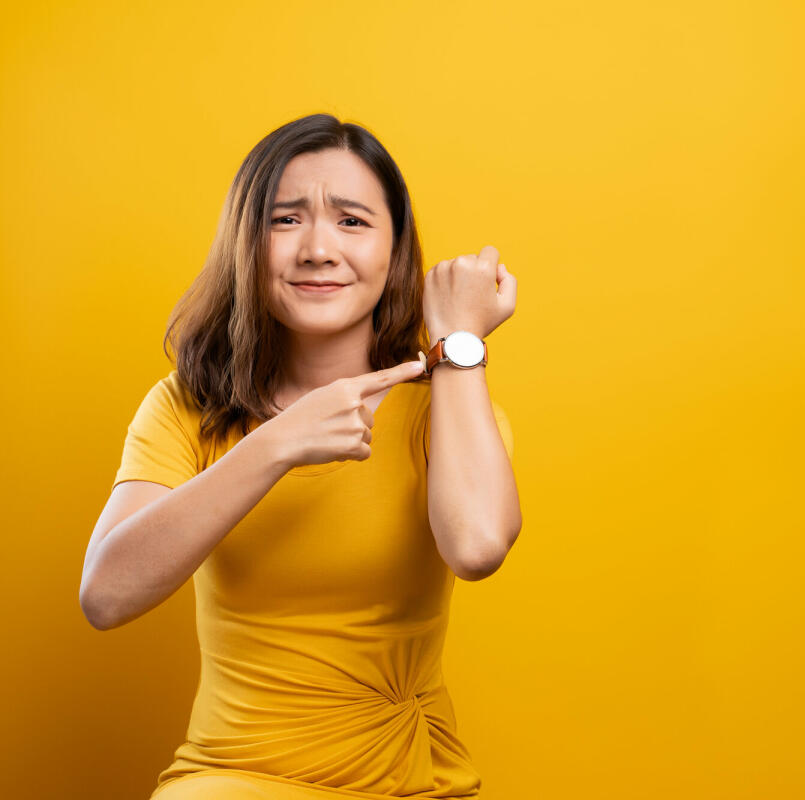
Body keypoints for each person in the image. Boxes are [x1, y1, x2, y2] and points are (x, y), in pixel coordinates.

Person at [78, 113, 522, 799]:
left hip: (409, 780)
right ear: (245, 245)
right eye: (286, 220)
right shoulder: (186, 406)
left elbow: (478, 547)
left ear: (395, 252)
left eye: (352, 221)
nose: (318, 248)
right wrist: (279, 442)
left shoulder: (449, 410)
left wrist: (457, 342)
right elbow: (105, 595)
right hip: (232, 779)